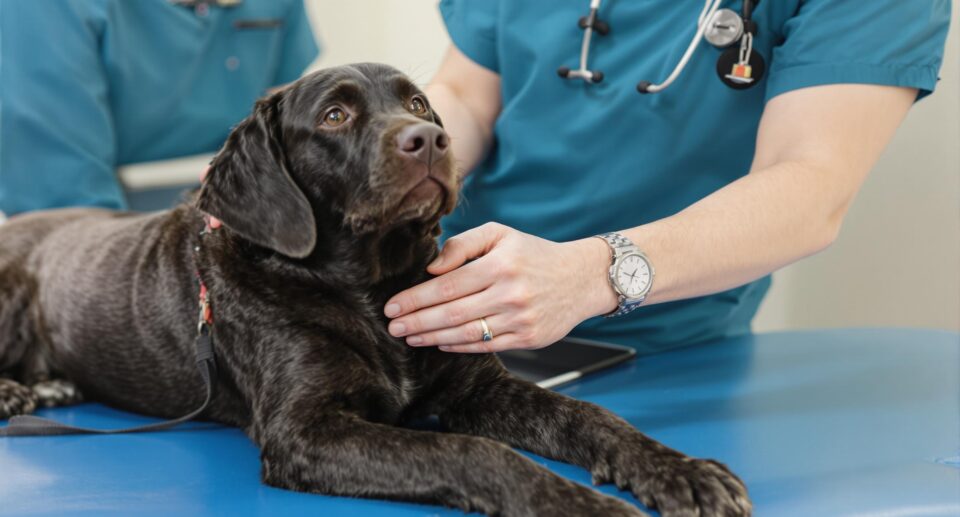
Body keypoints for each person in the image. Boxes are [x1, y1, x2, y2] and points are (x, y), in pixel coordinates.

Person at [382, 0, 952, 354]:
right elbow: (466, 96)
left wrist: (588, 275)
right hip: (453, 304)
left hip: (660, 348)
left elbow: (811, 182)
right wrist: (385, 166)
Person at [0, 0, 318, 216]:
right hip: (95, 222)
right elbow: (62, 202)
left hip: (227, 204)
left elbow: (286, 141)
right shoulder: (42, 11)